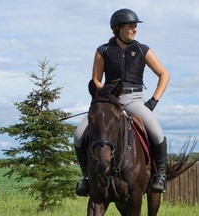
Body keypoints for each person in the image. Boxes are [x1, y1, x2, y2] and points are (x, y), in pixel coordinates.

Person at [74, 8, 170, 196]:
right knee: (78, 135)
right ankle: (86, 177)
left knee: (158, 133)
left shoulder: (142, 49)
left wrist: (154, 100)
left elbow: (164, 74)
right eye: (131, 26)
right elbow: (96, 79)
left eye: (136, 26)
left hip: (134, 100)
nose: (135, 29)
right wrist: (104, 97)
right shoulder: (103, 50)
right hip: (110, 101)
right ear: (117, 28)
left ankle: (160, 176)